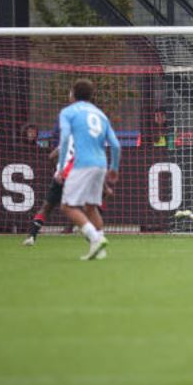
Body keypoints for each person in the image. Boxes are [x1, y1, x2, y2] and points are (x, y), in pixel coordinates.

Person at [56, 79, 121, 260]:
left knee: (67, 206)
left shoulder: (68, 112)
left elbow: (65, 139)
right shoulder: (101, 115)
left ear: (73, 94)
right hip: (101, 164)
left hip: (82, 164)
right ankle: (100, 250)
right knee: (91, 207)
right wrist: (114, 168)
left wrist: (61, 167)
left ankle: (95, 238)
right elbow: (116, 145)